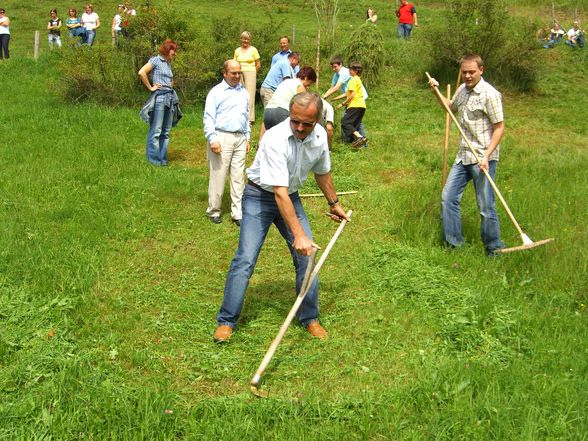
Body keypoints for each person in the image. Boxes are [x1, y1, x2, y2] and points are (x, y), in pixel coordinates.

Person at [213, 92, 350, 343]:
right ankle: (226, 320)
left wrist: (334, 203)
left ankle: (309, 318)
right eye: (295, 121)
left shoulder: (319, 138)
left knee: (307, 260)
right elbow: (279, 193)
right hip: (259, 196)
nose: (299, 127)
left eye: (306, 124)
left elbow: (322, 173)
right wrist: (298, 234)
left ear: (318, 120)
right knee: (246, 258)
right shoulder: (275, 139)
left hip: (291, 196)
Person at [428, 54, 505, 255]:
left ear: (481, 70)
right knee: (448, 197)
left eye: (472, 72)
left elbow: (499, 128)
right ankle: (454, 245)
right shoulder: (462, 90)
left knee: (485, 206)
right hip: (464, 156)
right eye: (464, 72)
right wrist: (436, 91)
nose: (468, 76)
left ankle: (493, 249)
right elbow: (450, 108)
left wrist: (487, 155)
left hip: (482, 158)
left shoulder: (490, 94)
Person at [203, 60, 250, 226]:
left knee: (238, 176)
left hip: (240, 138)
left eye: (239, 73)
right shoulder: (216, 92)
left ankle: (237, 213)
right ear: (225, 73)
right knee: (219, 175)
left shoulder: (244, 92)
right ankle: (214, 210)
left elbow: (245, 117)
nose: (237, 76)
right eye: (233, 73)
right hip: (221, 137)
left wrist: (247, 138)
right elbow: (209, 117)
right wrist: (212, 138)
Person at [138, 39, 182, 166]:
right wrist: (151, 87)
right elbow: (141, 72)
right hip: (160, 99)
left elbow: (171, 79)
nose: (175, 53)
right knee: (156, 130)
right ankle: (153, 160)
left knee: (166, 131)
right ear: (168, 49)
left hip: (170, 99)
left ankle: (162, 159)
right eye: (173, 50)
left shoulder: (168, 64)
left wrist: (171, 86)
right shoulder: (156, 60)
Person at [263, 66, 317, 132]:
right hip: (281, 113)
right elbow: (303, 107)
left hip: (268, 112)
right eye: (310, 83)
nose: (308, 86)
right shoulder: (300, 86)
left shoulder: (286, 81)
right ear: (306, 78)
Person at [337, 61, 367, 148]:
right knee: (355, 125)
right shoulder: (358, 79)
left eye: (351, 69)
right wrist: (334, 98)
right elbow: (347, 93)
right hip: (362, 106)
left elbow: (352, 94)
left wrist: (343, 103)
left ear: (356, 71)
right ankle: (361, 144)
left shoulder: (353, 80)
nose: (349, 71)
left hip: (355, 105)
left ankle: (361, 137)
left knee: (345, 123)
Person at [234, 31, 260, 125]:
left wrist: (253, 72)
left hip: (251, 72)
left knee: (250, 95)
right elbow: (235, 63)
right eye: (244, 38)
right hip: (239, 73)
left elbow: (258, 64)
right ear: (241, 39)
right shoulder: (237, 50)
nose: (245, 40)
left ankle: (250, 119)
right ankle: (240, 117)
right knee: (240, 94)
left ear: (250, 40)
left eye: (247, 39)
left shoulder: (253, 50)